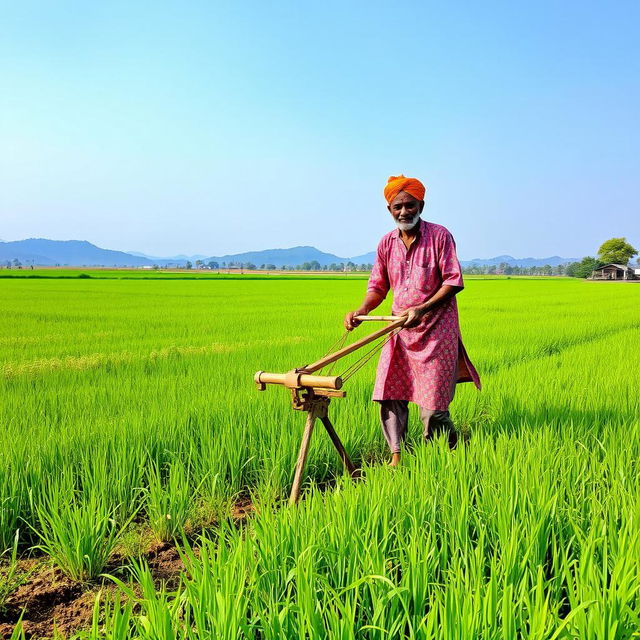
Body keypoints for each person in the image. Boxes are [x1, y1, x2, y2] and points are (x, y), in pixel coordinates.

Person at [344, 175, 480, 466]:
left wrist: (422, 308)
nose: (404, 211)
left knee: (433, 407)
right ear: (389, 210)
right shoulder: (386, 243)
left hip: (436, 333)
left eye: (409, 205)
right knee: (389, 393)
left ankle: (448, 454)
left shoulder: (440, 236)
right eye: (397, 207)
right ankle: (396, 456)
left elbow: (454, 281)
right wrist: (361, 310)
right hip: (400, 332)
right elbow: (378, 286)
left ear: (421, 204)